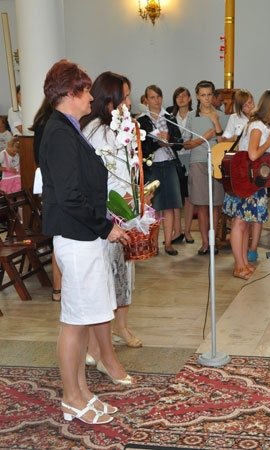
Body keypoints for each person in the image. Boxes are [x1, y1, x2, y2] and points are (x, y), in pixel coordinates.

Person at [39, 59, 129, 425]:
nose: (91, 97)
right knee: (74, 323)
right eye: (86, 90)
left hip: (82, 236)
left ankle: (81, 392)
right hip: (77, 238)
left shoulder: (67, 127)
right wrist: (105, 227)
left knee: (78, 320)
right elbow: (70, 197)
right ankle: (72, 397)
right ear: (69, 93)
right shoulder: (59, 133)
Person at [81, 71, 143, 367]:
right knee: (106, 281)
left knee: (123, 276)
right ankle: (97, 346)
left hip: (122, 210)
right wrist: (122, 202)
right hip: (106, 214)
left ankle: (118, 330)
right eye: (125, 97)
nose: (129, 102)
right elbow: (100, 178)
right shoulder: (96, 131)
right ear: (109, 101)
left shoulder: (116, 127)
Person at [222, 90, 270, 280]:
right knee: (239, 223)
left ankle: (244, 263)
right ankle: (238, 266)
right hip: (244, 179)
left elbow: (265, 160)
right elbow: (252, 155)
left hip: (255, 180)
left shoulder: (265, 127)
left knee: (245, 223)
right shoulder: (257, 126)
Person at [137, 85, 183, 256]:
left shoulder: (169, 117)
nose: (156, 100)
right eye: (152, 97)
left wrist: (169, 138)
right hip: (152, 166)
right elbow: (141, 147)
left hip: (169, 164)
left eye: (158, 97)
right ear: (146, 100)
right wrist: (157, 143)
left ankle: (168, 243)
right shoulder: (142, 121)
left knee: (170, 206)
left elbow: (179, 142)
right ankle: (153, 244)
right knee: (154, 207)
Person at [221, 89, 262, 262]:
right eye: (245, 105)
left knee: (257, 211)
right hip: (240, 169)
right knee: (241, 215)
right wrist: (236, 137)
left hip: (256, 167)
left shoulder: (259, 119)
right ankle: (241, 256)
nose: (249, 106)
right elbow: (224, 140)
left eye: (251, 102)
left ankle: (253, 248)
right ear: (239, 107)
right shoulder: (234, 118)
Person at [187, 80, 225, 255]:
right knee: (202, 205)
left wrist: (216, 123)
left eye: (209, 94)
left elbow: (224, 142)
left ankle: (213, 242)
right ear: (197, 96)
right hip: (198, 161)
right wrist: (204, 138)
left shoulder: (221, 115)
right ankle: (204, 243)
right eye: (203, 95)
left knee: (216, 204)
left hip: (216, 162)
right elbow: (186, 144)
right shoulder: (191, 116)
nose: (207, 98)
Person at [29, 98, 60, 301]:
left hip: (50, 186)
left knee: (59, 238)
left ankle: (58, 289)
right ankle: (58, 289)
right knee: (60, 238)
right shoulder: (52, 124)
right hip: (55, 185)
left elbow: (38, 157)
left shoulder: (43, 121)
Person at [171, 86, 195, 243]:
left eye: (184, 96)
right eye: (178, 96)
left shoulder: (195, 115)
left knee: (189, 197)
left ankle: (187, 231)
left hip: (191, 157)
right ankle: (177, 231)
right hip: (175, 158)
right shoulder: (170, 117)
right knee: (176, 197)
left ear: (190, 98)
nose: (181, 99)